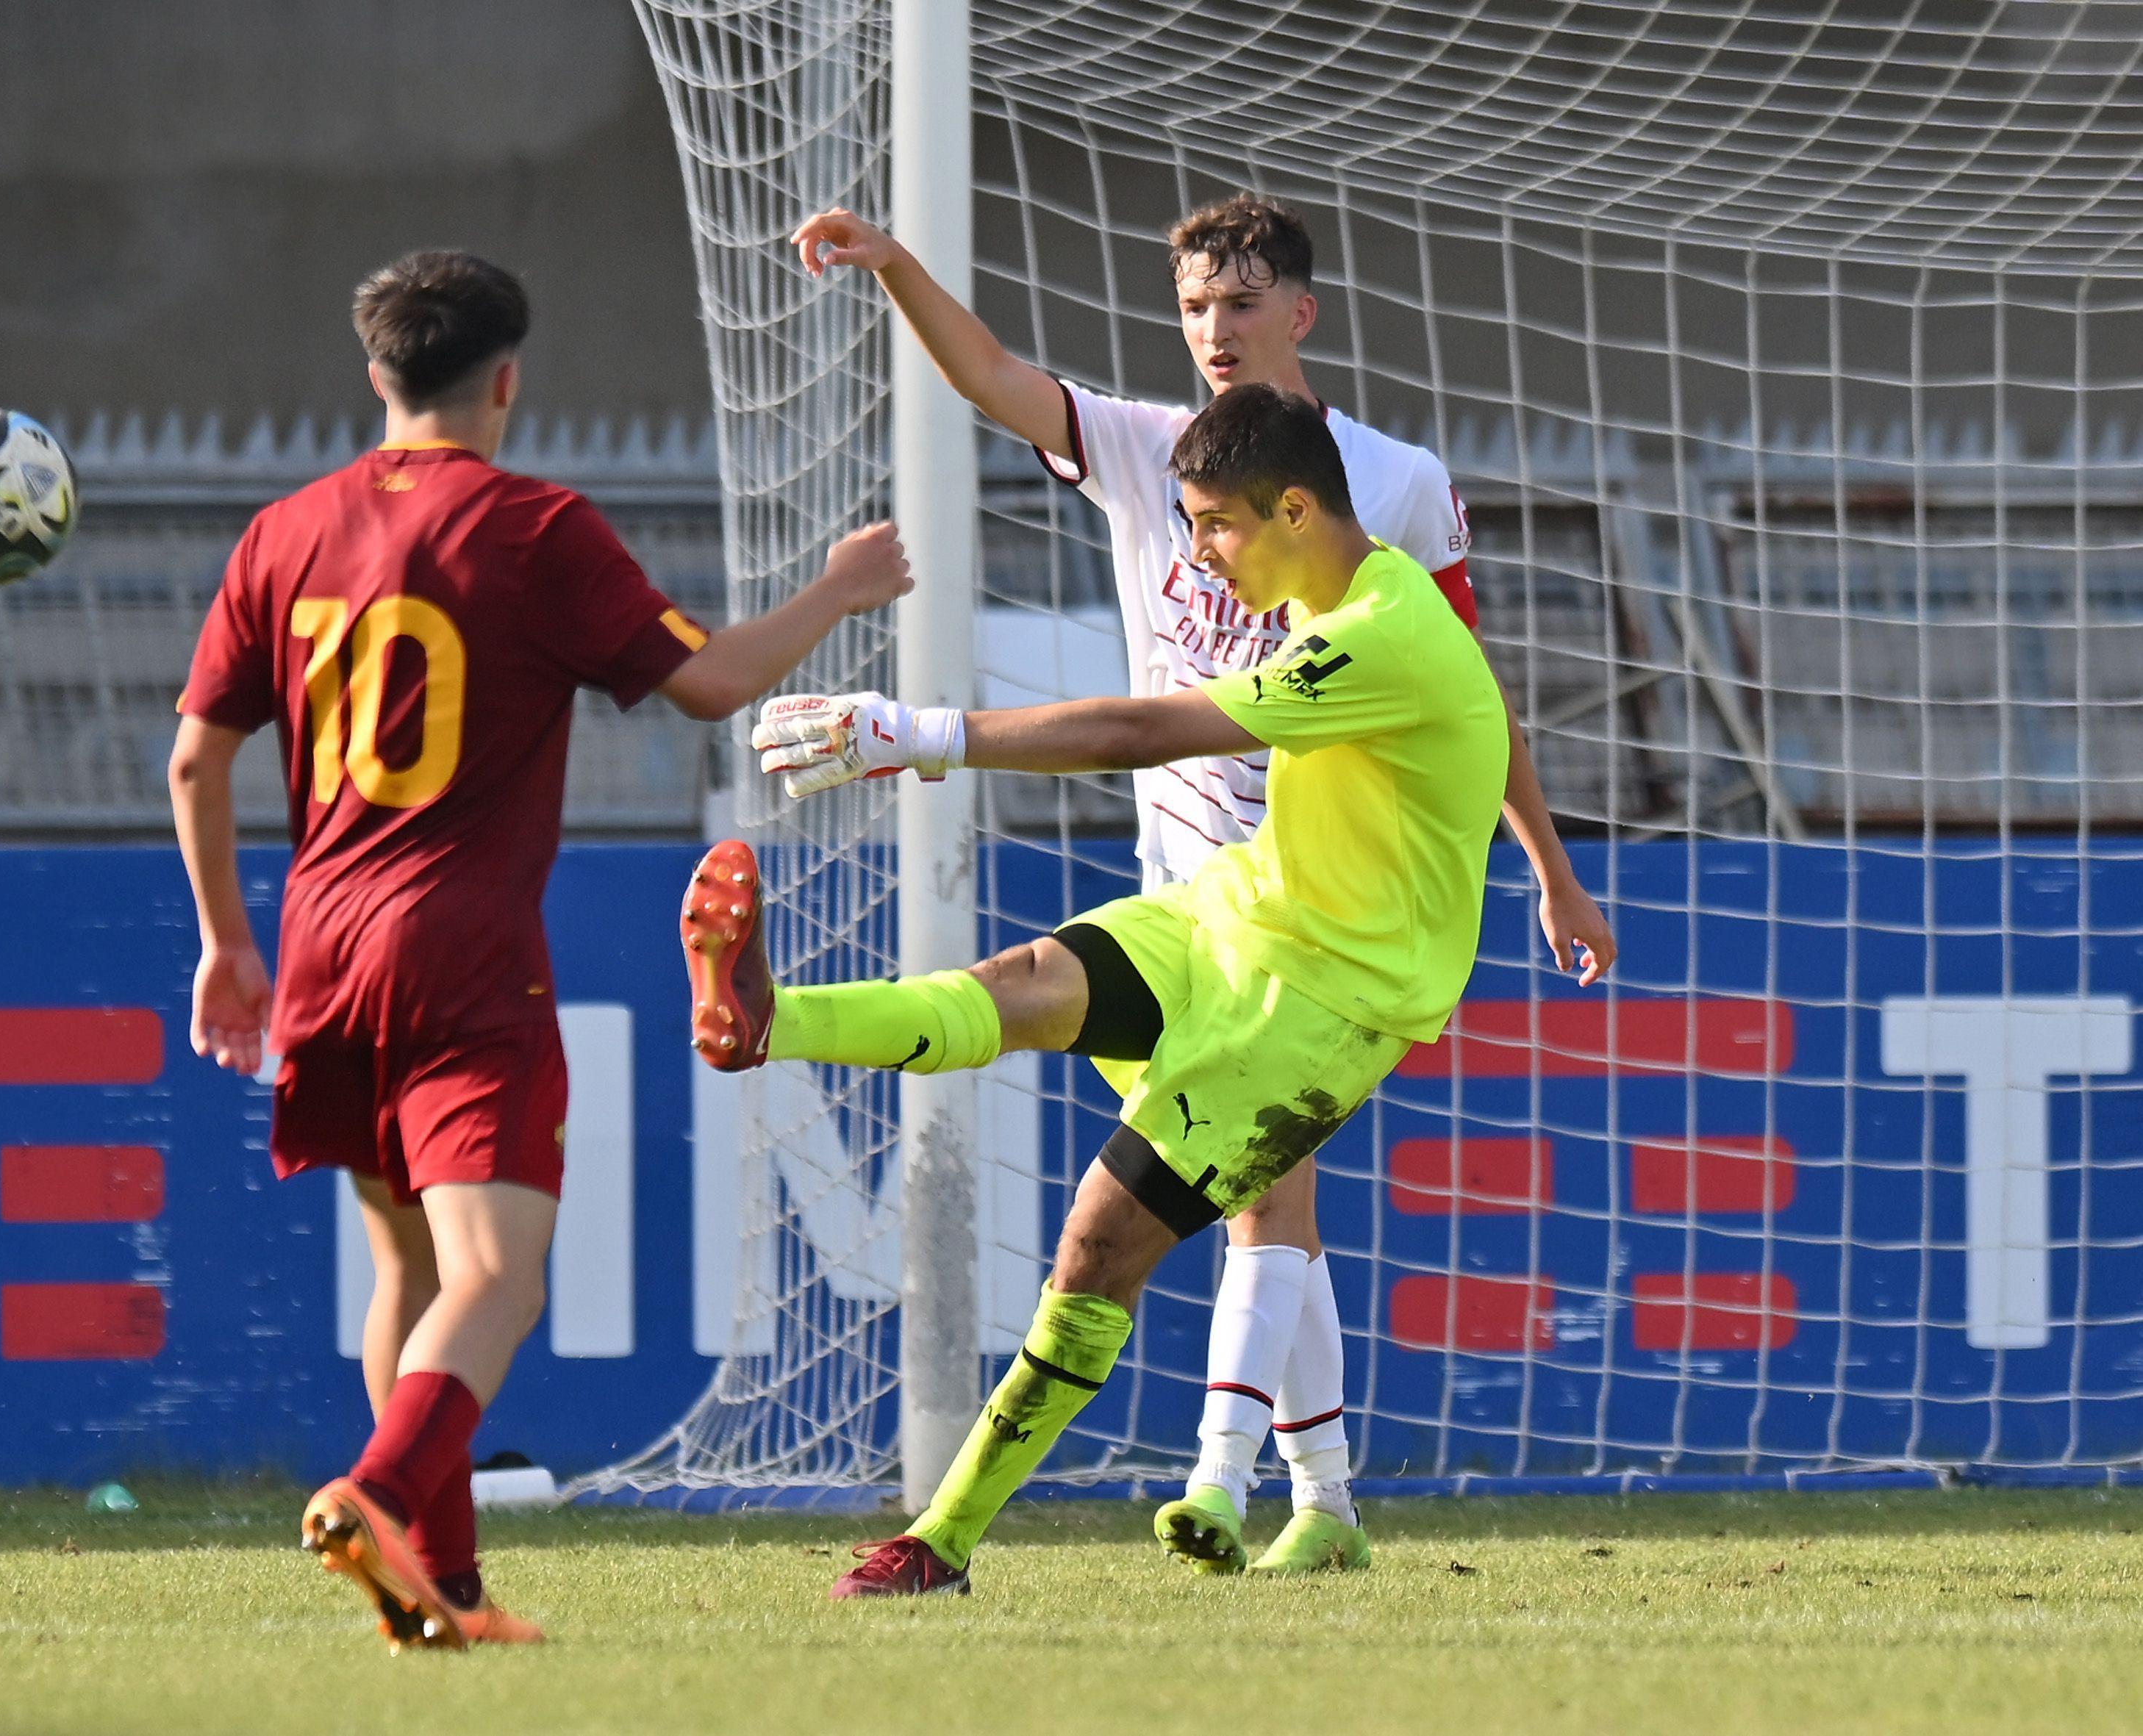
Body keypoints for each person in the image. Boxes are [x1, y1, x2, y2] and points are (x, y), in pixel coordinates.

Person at [790, 193, 1617, 1574]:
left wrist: (1549, 867)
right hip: (1182, 884)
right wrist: (896, 272)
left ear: (1301, 309)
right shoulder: (1140, 445)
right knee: (1245, 1189)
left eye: (1239, 302)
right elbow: (996, 380)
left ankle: (1224, 1489)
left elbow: (1474, 693)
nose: (1212, 330)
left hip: (1314, 911)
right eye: (1191, 306)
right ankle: (1328, 1503)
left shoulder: (1390, 485)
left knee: (1254, 1201)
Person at [171, 248, 912, 1648]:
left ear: (378, 374)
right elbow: (711, 683)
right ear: (506, 380)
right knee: (501, 1278)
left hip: (323, 945)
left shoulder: (282, 534)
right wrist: (838, 589)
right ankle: (382, 1493)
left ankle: (444, 1590)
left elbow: (196, 761)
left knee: (413, 1274)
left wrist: (226, 945)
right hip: (457, 948)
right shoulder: (531, 529)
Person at [686, 385, 1506, 1597]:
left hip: (1327, 1004)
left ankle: (941, 1540)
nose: (1199, 552)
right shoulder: (1329, 599)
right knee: (1016, 984)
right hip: (1244, 914)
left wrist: (921, 733)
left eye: (1214, 524)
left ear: (1294, 506)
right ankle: (767, 1021)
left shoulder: (1377, 634)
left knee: (1095, 1248)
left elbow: (1143, 729)